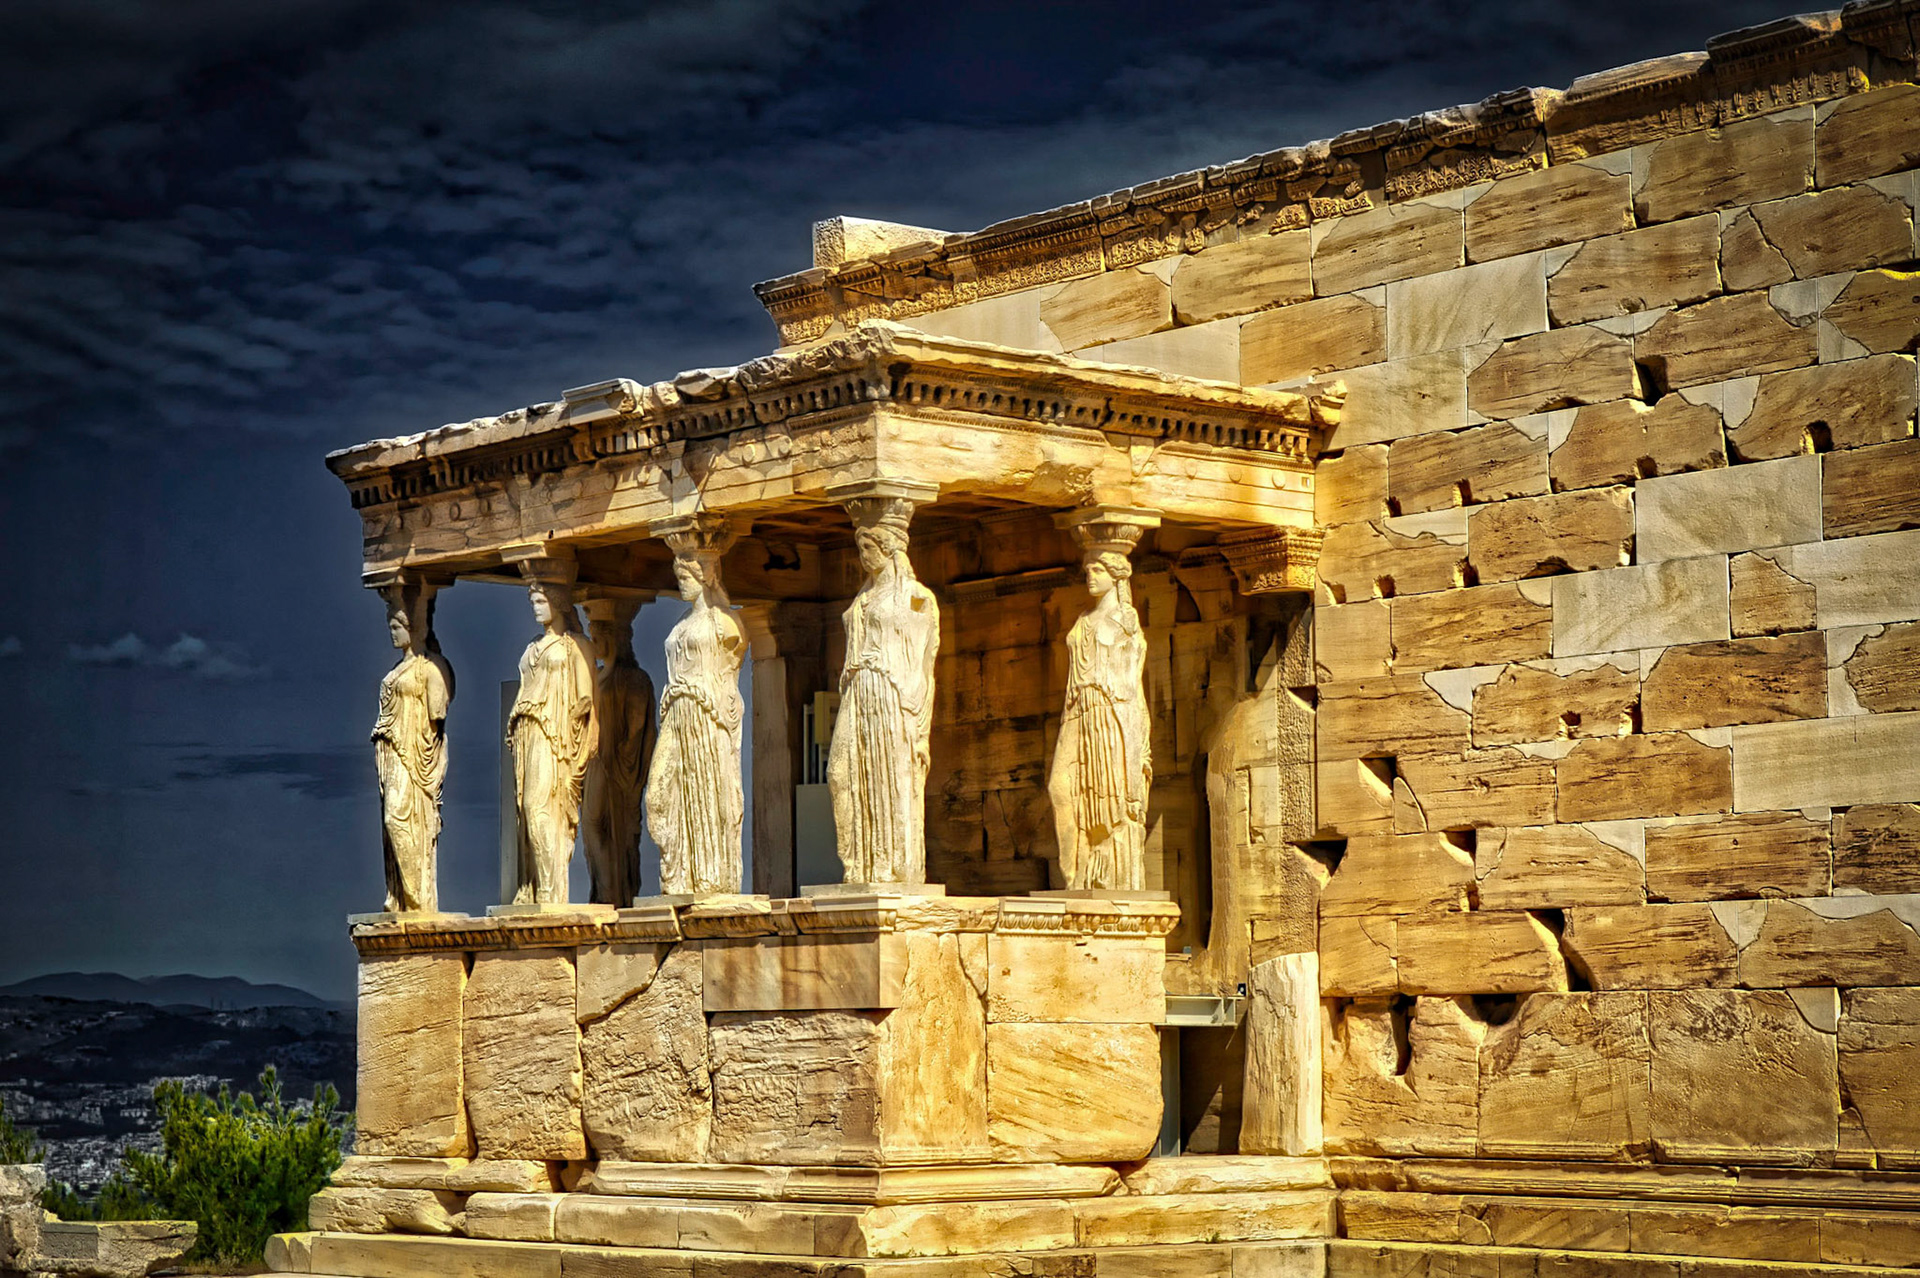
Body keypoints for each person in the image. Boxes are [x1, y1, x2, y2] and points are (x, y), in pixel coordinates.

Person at [828, 515, 939, 884]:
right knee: (839, 773)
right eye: (860, 549)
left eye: (869, 549)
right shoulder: (863, 597)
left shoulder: (917, 598)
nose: (863, 557)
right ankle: (857, 865)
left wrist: (920, 724)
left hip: (892, 695)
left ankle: (895, 869)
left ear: (889, 549)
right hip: (858, 690)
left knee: (893, 777)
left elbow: (925, 662)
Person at [645, 545, 746, 895]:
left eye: (687, 577)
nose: (681, 584)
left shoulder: (725, 622)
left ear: (707, 575)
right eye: (678, 577)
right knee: (657, 795)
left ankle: (709, 879)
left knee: (708, 794)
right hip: (676, 713)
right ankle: (676, 875)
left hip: (706, 715)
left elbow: (733, 667)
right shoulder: (681, 623)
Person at [1049, 550, 1150, 891]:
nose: (1090, 576)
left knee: (1110, 799)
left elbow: (1132, 683)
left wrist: (1138, 740)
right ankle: (1075, 874)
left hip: (1111, 712)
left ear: (1117, 576)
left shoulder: (1126, 621)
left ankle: (1108, 877)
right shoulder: (1082, 619)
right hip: (1077, 710)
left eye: (1098, 570)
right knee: (1060, 787)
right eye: (1088, 570)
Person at [509, 575, 597, 904]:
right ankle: (532, 888)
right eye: (532, 602)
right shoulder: (532, 646)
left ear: (558, 603)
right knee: (525, 809)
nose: (535, 608)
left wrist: (581, 743)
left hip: (555, 737)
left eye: (541, 601)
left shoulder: (576, 645)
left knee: (539, 806)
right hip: (527, 733)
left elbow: (586, 700)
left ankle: (551, 890)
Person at [372, 584, 453, 913]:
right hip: (391, 755)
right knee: (390, 825)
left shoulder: (432, 667)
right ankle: (403, 900)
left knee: (399, 820)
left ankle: (419, 900)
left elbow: (438, 714)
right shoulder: (396, 670)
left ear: (414, 627)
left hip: (414, 756)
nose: (391, 632)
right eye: (391, 625)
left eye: (396, 626)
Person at [583, 597, 656, 907]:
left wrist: (625, 756)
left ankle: (615, 891)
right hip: (596, 761)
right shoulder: (595, 676)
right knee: (591, 828)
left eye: (598, 637)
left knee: (608, 827)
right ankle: (602, 890)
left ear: (614, 638)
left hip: (617, 766)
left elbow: (638, 724)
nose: (594, 644)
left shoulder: (634, 679)